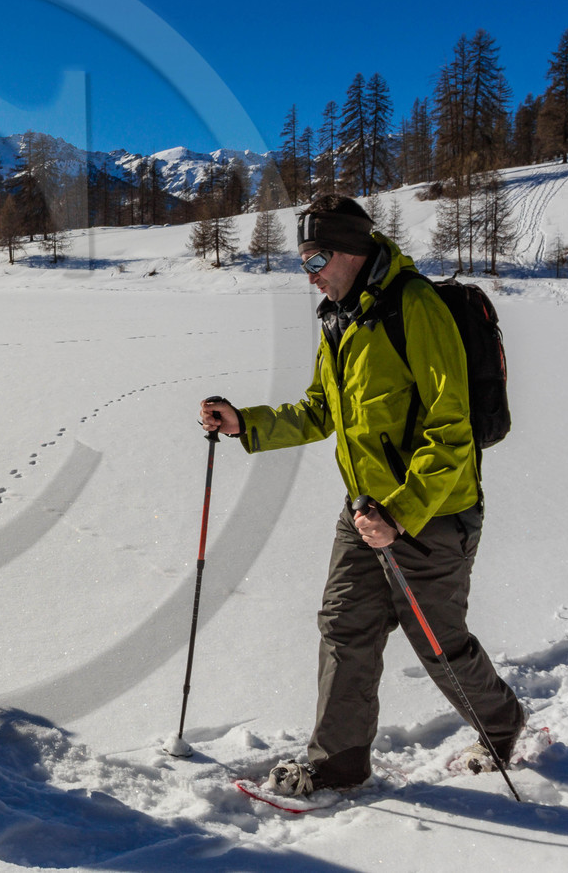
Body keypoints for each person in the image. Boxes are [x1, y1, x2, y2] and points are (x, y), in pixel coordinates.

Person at [197, 194, 526, 796]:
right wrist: (246, 423)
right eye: (302, 260)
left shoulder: (415, 308)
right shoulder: (337, 318)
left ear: (353, 250)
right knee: (344, 627)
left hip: (432, 515)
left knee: (438, 644)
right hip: (364, 511)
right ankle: (339, 764)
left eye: (317, 256)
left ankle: (502, 721)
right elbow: (320, 410)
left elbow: (450, 431)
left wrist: (400, 514)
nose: (310, 272)